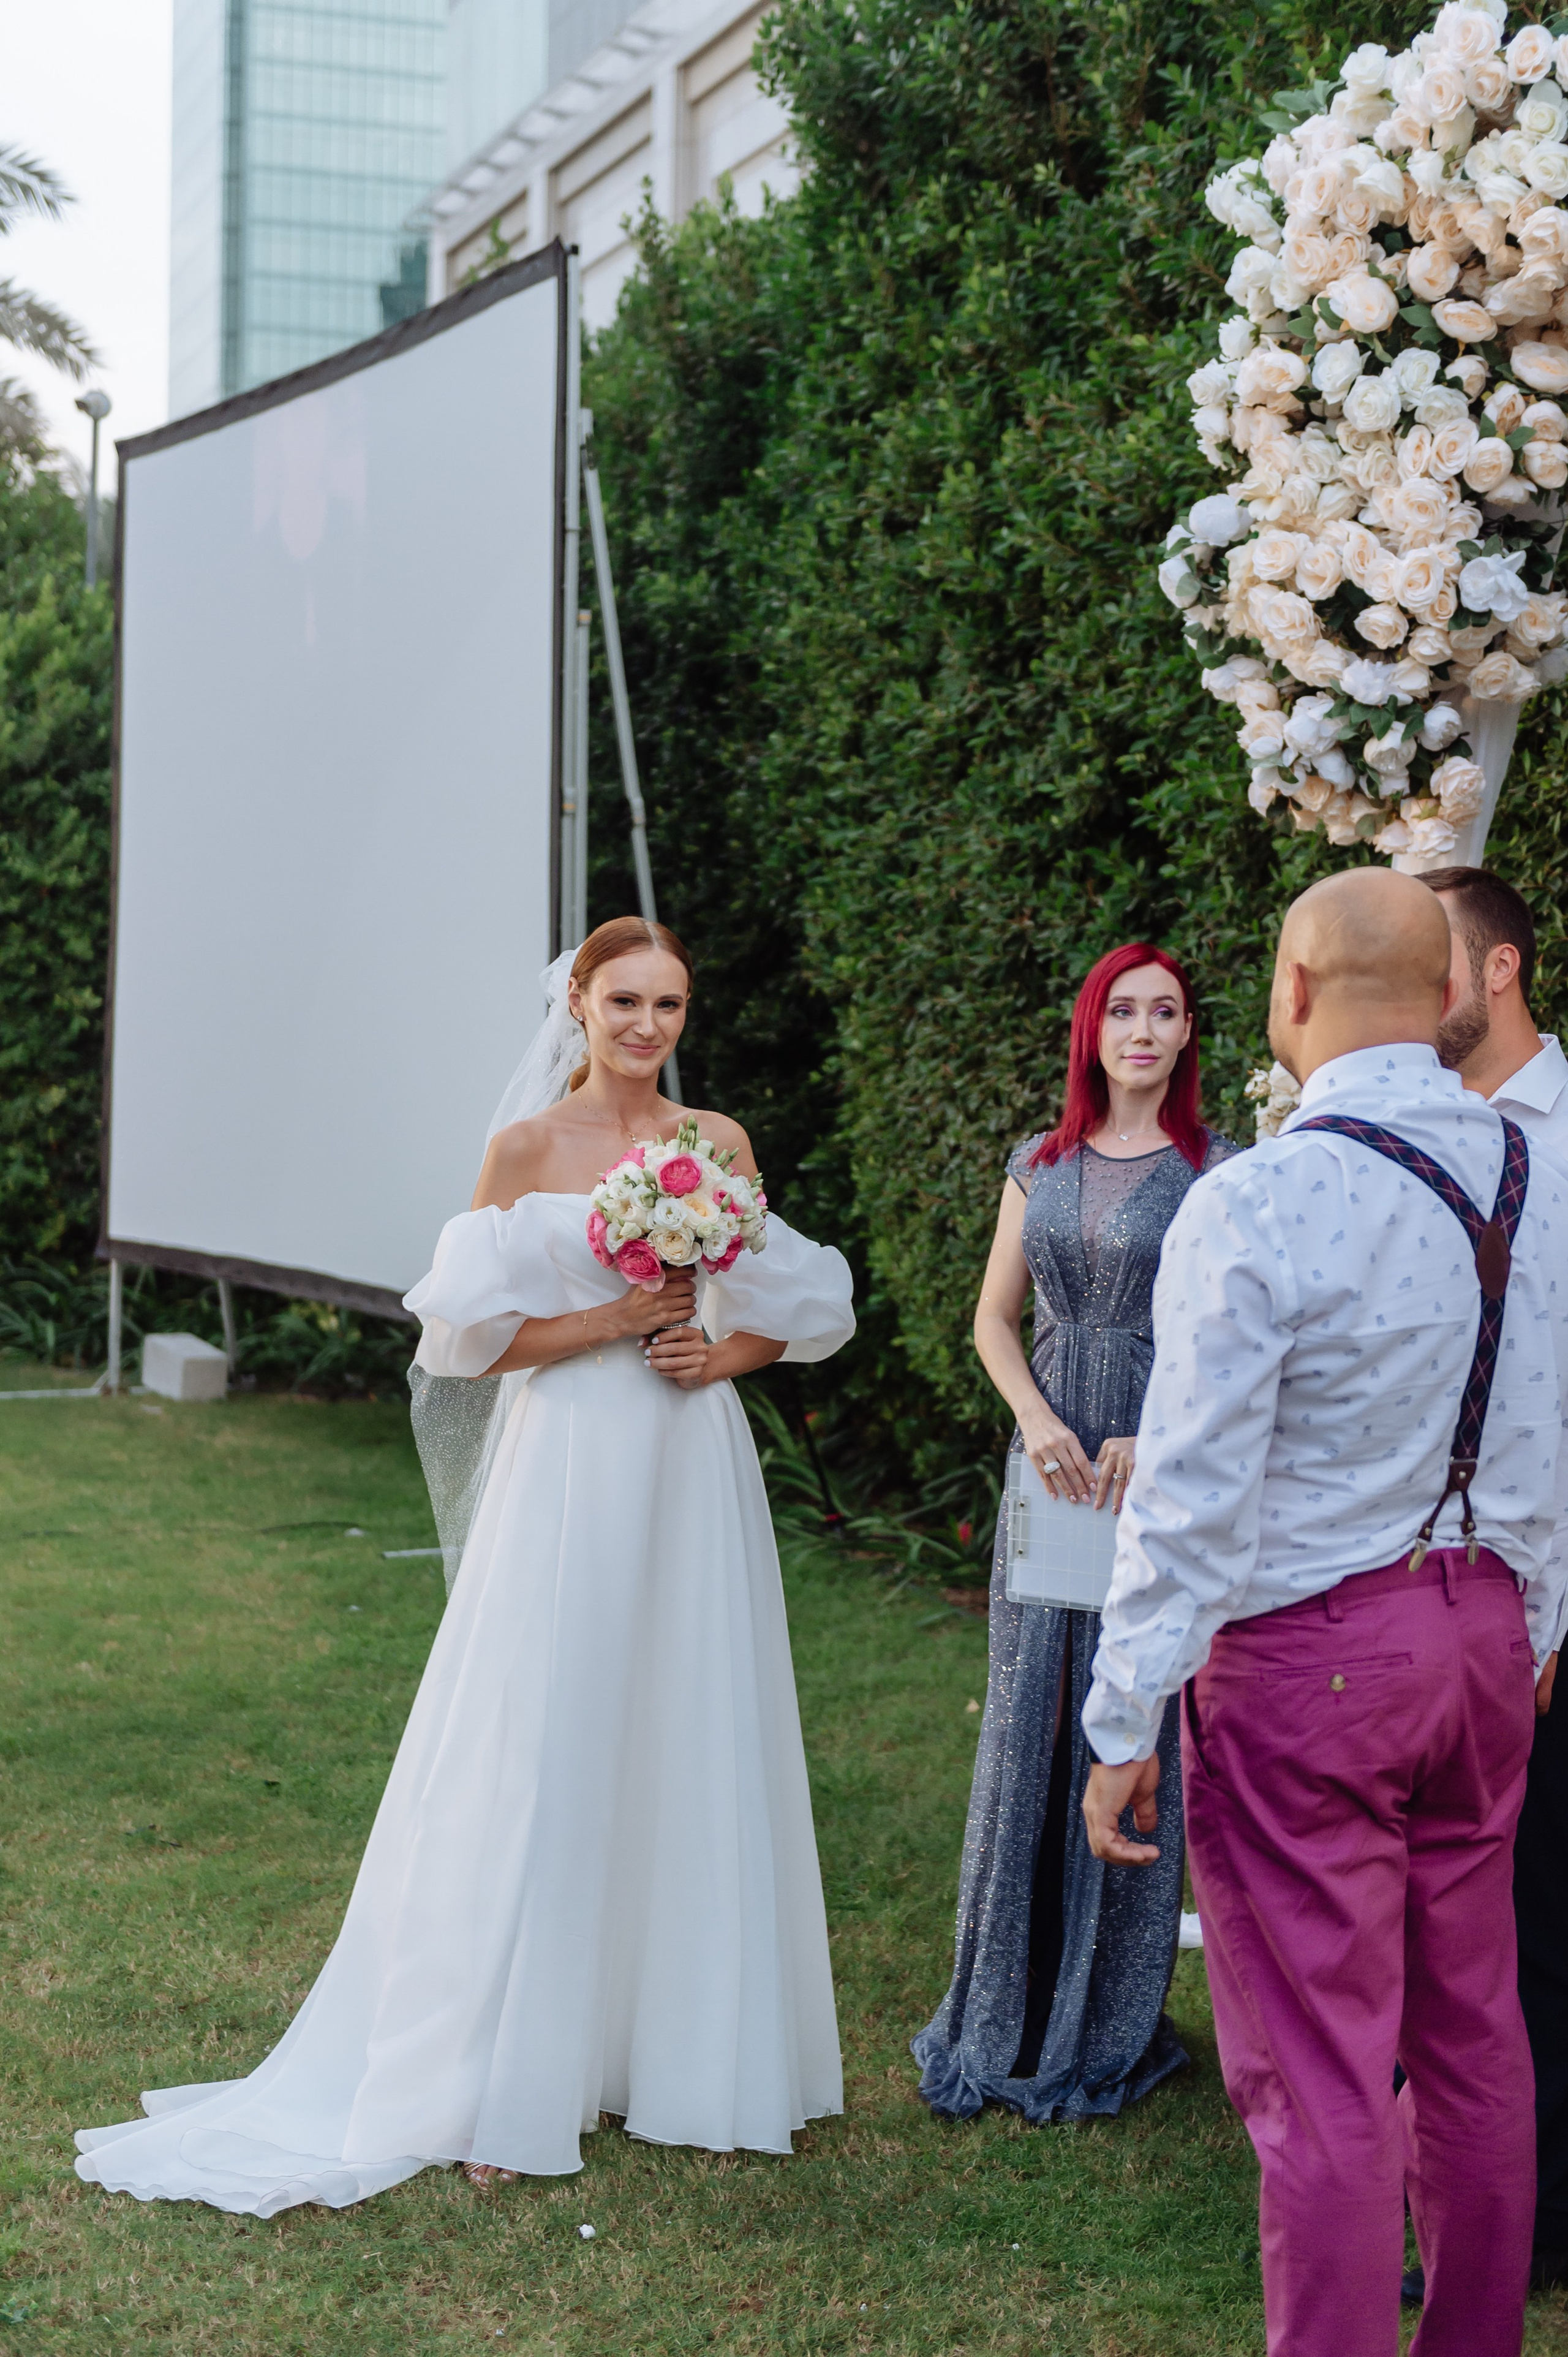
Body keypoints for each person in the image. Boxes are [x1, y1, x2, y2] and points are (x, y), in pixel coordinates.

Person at [74, 916, 855, 2213]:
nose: (646, 1027)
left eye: (668, 1003)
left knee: (689, 1723)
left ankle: (693, 2062)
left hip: (687, 1457)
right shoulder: (525, 1149)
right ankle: (504, 2072)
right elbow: (459, 1344)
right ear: (578, 1002)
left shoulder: (716, 1145)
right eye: (624, 1001)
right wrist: (609, 1318)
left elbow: (790, 1309)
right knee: (543, 1737)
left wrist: (719, 1355)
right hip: (571, 1460)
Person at [1080, 869, 1568, 2357]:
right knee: (1473, 2033)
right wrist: (1533, 1620)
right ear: (1446, 996)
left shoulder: (1257, 1196)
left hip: (1311, 1664)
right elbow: (1549, 1426)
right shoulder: (1541, 1171)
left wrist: (1121, 1711)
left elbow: (1188, 1490)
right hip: (1484, 1637)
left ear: (1288, 994)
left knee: (1318, 2071)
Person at [911, 943, 1235, 2125]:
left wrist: (1161, 1437)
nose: (1143, 1029)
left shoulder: (1220, 1172)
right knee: (1030, 1709)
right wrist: (1037, 1420)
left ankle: (1106, 2016)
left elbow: (1225, 1342)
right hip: (1050, 1477)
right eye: (1123, 1010)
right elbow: (994, 1320)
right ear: (1091, 1030)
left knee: (1136, 1713)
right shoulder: (1037, 1163)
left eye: (1166, 1012)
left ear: (1189, 1033)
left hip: (1154, 1482)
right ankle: (1002, 1998)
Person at [1422, 864, 1568, 2298]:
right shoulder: (1412, 1132)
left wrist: (1547, 1603)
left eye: (1435, 967)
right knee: (1460, 1926)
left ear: (1502, 970)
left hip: (1543, 1582)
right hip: (1435, 1597)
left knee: (1534, 1915)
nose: (1413, 995)